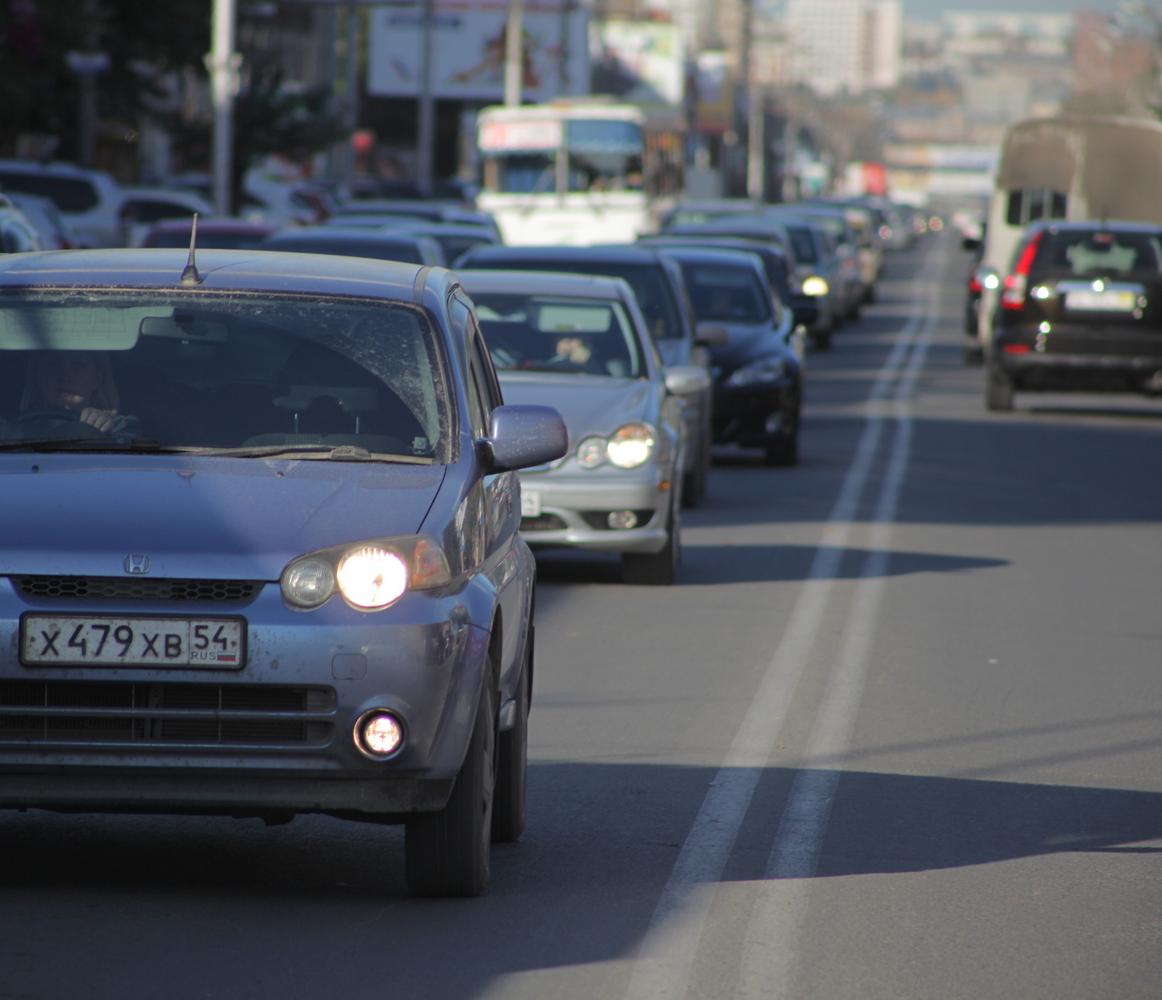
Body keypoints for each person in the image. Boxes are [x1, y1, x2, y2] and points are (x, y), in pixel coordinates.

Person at [20, 350, 133, 434]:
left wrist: (106, 430)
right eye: (54, 364)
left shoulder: (121, 427)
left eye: (78, 365)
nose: (66, 375)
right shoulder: (15, 432)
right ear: (39, 377)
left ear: (97, 378)